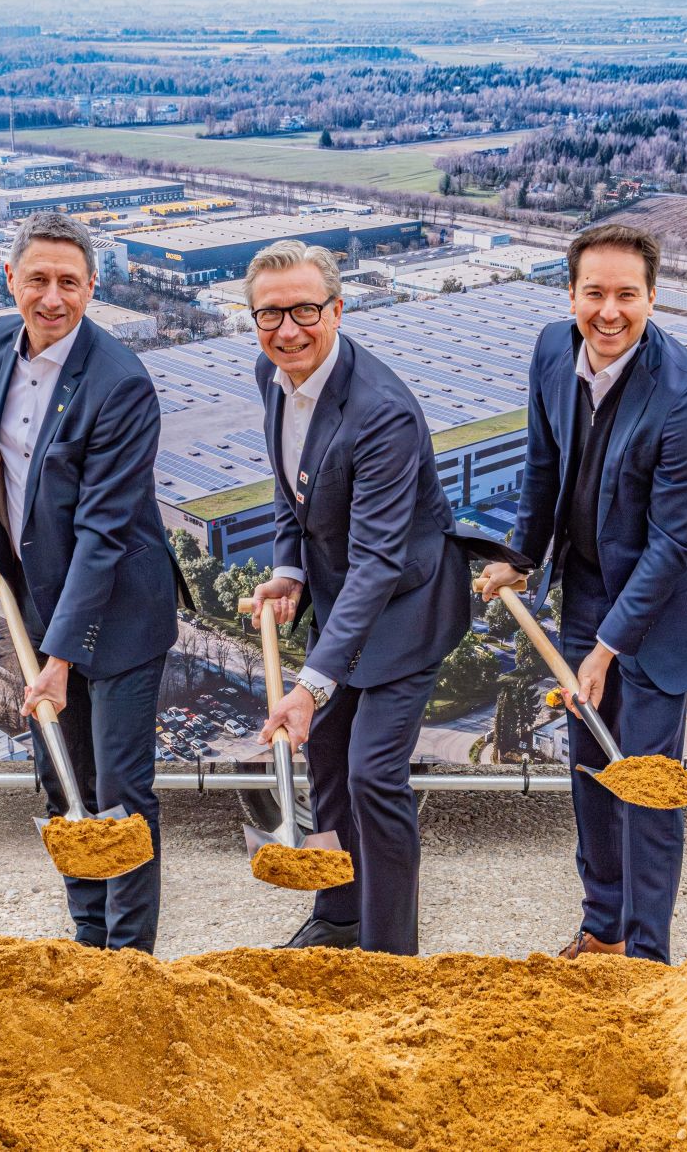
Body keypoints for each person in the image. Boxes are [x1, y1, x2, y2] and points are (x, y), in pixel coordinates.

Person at [477, 223, 687, 964]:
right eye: (593, 292)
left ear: (652, 299)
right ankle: (602, 928)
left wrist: (605, 650)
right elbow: (542, 462)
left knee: (645, 779)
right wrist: (519, 556)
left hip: (663, 607)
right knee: (590, 766)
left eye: (627, 294)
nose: (608, 310)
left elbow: (671, 545)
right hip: (587, 588)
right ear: (570, 295)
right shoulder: (548, 349)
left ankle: (647, 954)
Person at [247, 239, 506, 956]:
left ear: (337, 308)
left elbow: (379, 560)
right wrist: (290, 569)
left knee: (371, 775)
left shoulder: (381, 413)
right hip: (338, 595)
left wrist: (307, 684)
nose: (288, 329)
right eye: (270, 313)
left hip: (405, 609)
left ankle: (389, 953)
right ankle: (338, 913)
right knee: (327, 760)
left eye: (305, 309)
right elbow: (287, 485)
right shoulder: (273, 374)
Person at [0, 211, 188, 953]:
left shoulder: (121, 383)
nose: (53, 296)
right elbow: (15, 472)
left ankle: (129, 960)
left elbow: (103, 530)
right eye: (37, 278)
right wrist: (5, 553)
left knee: (119, 795)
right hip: (45, 602)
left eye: (70, 281)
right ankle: (88, 934)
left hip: (123, 612)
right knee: (62, 781)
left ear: (93, 287)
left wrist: (60, 660)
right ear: (11, 279)